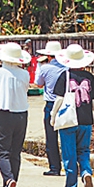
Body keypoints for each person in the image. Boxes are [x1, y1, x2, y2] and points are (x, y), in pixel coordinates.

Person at [50, 44, 94, 187]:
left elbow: (59, 100)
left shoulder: (65, 76)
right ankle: (86, 173)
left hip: (68, 120)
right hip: (86, 121)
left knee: (69, 153)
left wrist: (53, 116)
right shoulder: (89, 77)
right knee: (84, 150)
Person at [0, 43, 31, 187]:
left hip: (3, 113)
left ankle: (8, 178)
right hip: (22, 114)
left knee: (1, 152)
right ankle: (12, 181)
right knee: (15, 151)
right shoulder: (24, 74)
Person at [33, 41, 65, 176]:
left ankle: (54, 167)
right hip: (65, 103)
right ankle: (72, 165)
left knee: (51, 137)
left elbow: (38, 84)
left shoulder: (45, 68)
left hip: (51, 103)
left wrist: (39, 68)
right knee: (67, 136)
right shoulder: (66, 68)